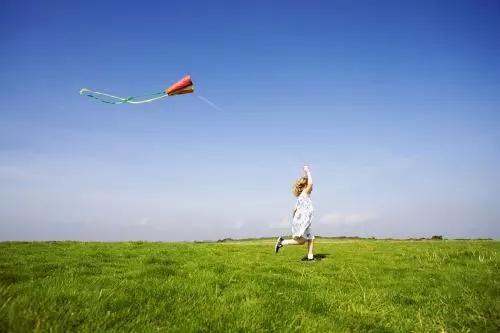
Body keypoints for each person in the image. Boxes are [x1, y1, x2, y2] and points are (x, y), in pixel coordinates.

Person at [275, 165, 315, 260]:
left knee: (310, 238)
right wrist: (307, 171)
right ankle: (282, 242)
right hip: (303, 221)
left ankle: (310, 257)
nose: (312, 188)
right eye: (308, 185)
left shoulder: (301, 197)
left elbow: (294, 210)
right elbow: (311, 184)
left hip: (303, 221)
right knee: (304, 240)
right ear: (305, 186)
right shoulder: (305, 193)